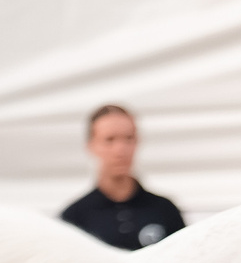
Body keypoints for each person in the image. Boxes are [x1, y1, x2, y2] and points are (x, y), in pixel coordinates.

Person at [61, 105, 185, 250]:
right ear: (91, 146)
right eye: (110, 140)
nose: (120, 150)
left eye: (128, 138)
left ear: (137, 141)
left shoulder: (165, 210)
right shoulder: (75, 219)